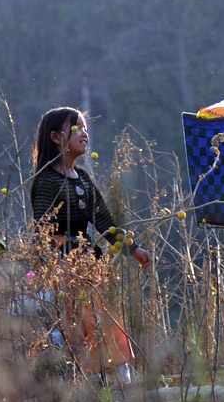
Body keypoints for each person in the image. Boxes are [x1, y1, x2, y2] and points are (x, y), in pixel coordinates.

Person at [30, 107, 152, 381]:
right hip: (61, 268)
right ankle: (72, 382)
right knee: (70, 323)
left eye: (85, 128)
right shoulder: (46, 181)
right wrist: (61, 252)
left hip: (86, 266)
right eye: (76, 128)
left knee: (98, 319)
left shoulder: (83, 179)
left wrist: (133, 250)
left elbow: (106, 223)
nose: (84, 133)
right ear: (55, 138)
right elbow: (42, 230)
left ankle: (112, 379)